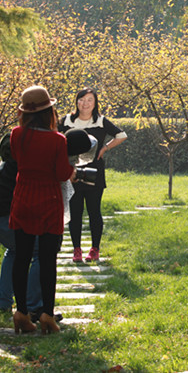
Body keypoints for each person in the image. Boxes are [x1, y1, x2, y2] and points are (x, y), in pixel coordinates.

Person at [9, 85, 75, 335]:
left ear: (24, 113)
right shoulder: (58, 140)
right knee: (48, 260)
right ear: (50, 111)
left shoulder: (16, 135)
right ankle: (47, 314)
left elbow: (17, 160)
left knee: (21, 257)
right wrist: (72, 171)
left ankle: (21, 312)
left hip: (23, 197)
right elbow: (60, 173)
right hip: (48, 200)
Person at [0, 135, 62, 324]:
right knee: (40, 251)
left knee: (15, 250)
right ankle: (34, 307)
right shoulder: (21, 167)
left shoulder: (7, 165)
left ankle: (3, 301)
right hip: (1, 216)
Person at [59, 88, 127, 263]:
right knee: (75, 211)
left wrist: (105, 148)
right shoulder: (67, 120)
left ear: (95, 103)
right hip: (72, 172)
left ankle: (95, 249)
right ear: (77, 102)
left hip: (95, 171)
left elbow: (121, 135)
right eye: (81, 99)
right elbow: (54, 138)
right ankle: (76, 250)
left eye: (89, 100)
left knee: (94, 210)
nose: (85, 103)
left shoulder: (101, 121)